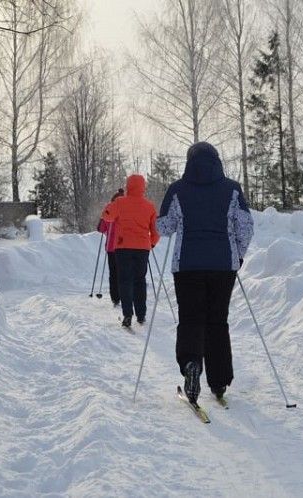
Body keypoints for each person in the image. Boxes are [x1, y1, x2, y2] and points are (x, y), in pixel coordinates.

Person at [157, 142, 254, 405]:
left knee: (190, 318)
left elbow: (164, 226)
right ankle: (219, 380)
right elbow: (245, 227)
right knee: (217, 321)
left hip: (187, 265)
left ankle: (191, 364)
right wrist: (239, 254)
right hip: (223, 265)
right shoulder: (232, 189)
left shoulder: (178, 189)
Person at [101, 175, 160, 328]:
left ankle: (128, 314)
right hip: (142, 248)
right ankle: (141, 314)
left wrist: (112, 202)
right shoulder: (150, 206)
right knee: (140, 280)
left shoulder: (120, 203)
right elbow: (156, 230)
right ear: (143, 187)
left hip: (123, 247)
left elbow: (106, 216)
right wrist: (152, 243)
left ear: (128, 186)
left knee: (125, 280)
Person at [97, 188, 125, 307]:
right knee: (124, 272)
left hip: (111, 247)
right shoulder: (128, 209)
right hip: (125, 246)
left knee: (113, 273)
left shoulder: (108, 210)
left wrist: (102, 217)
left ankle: (115, 297)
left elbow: (101, 228)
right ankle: (126, 295)